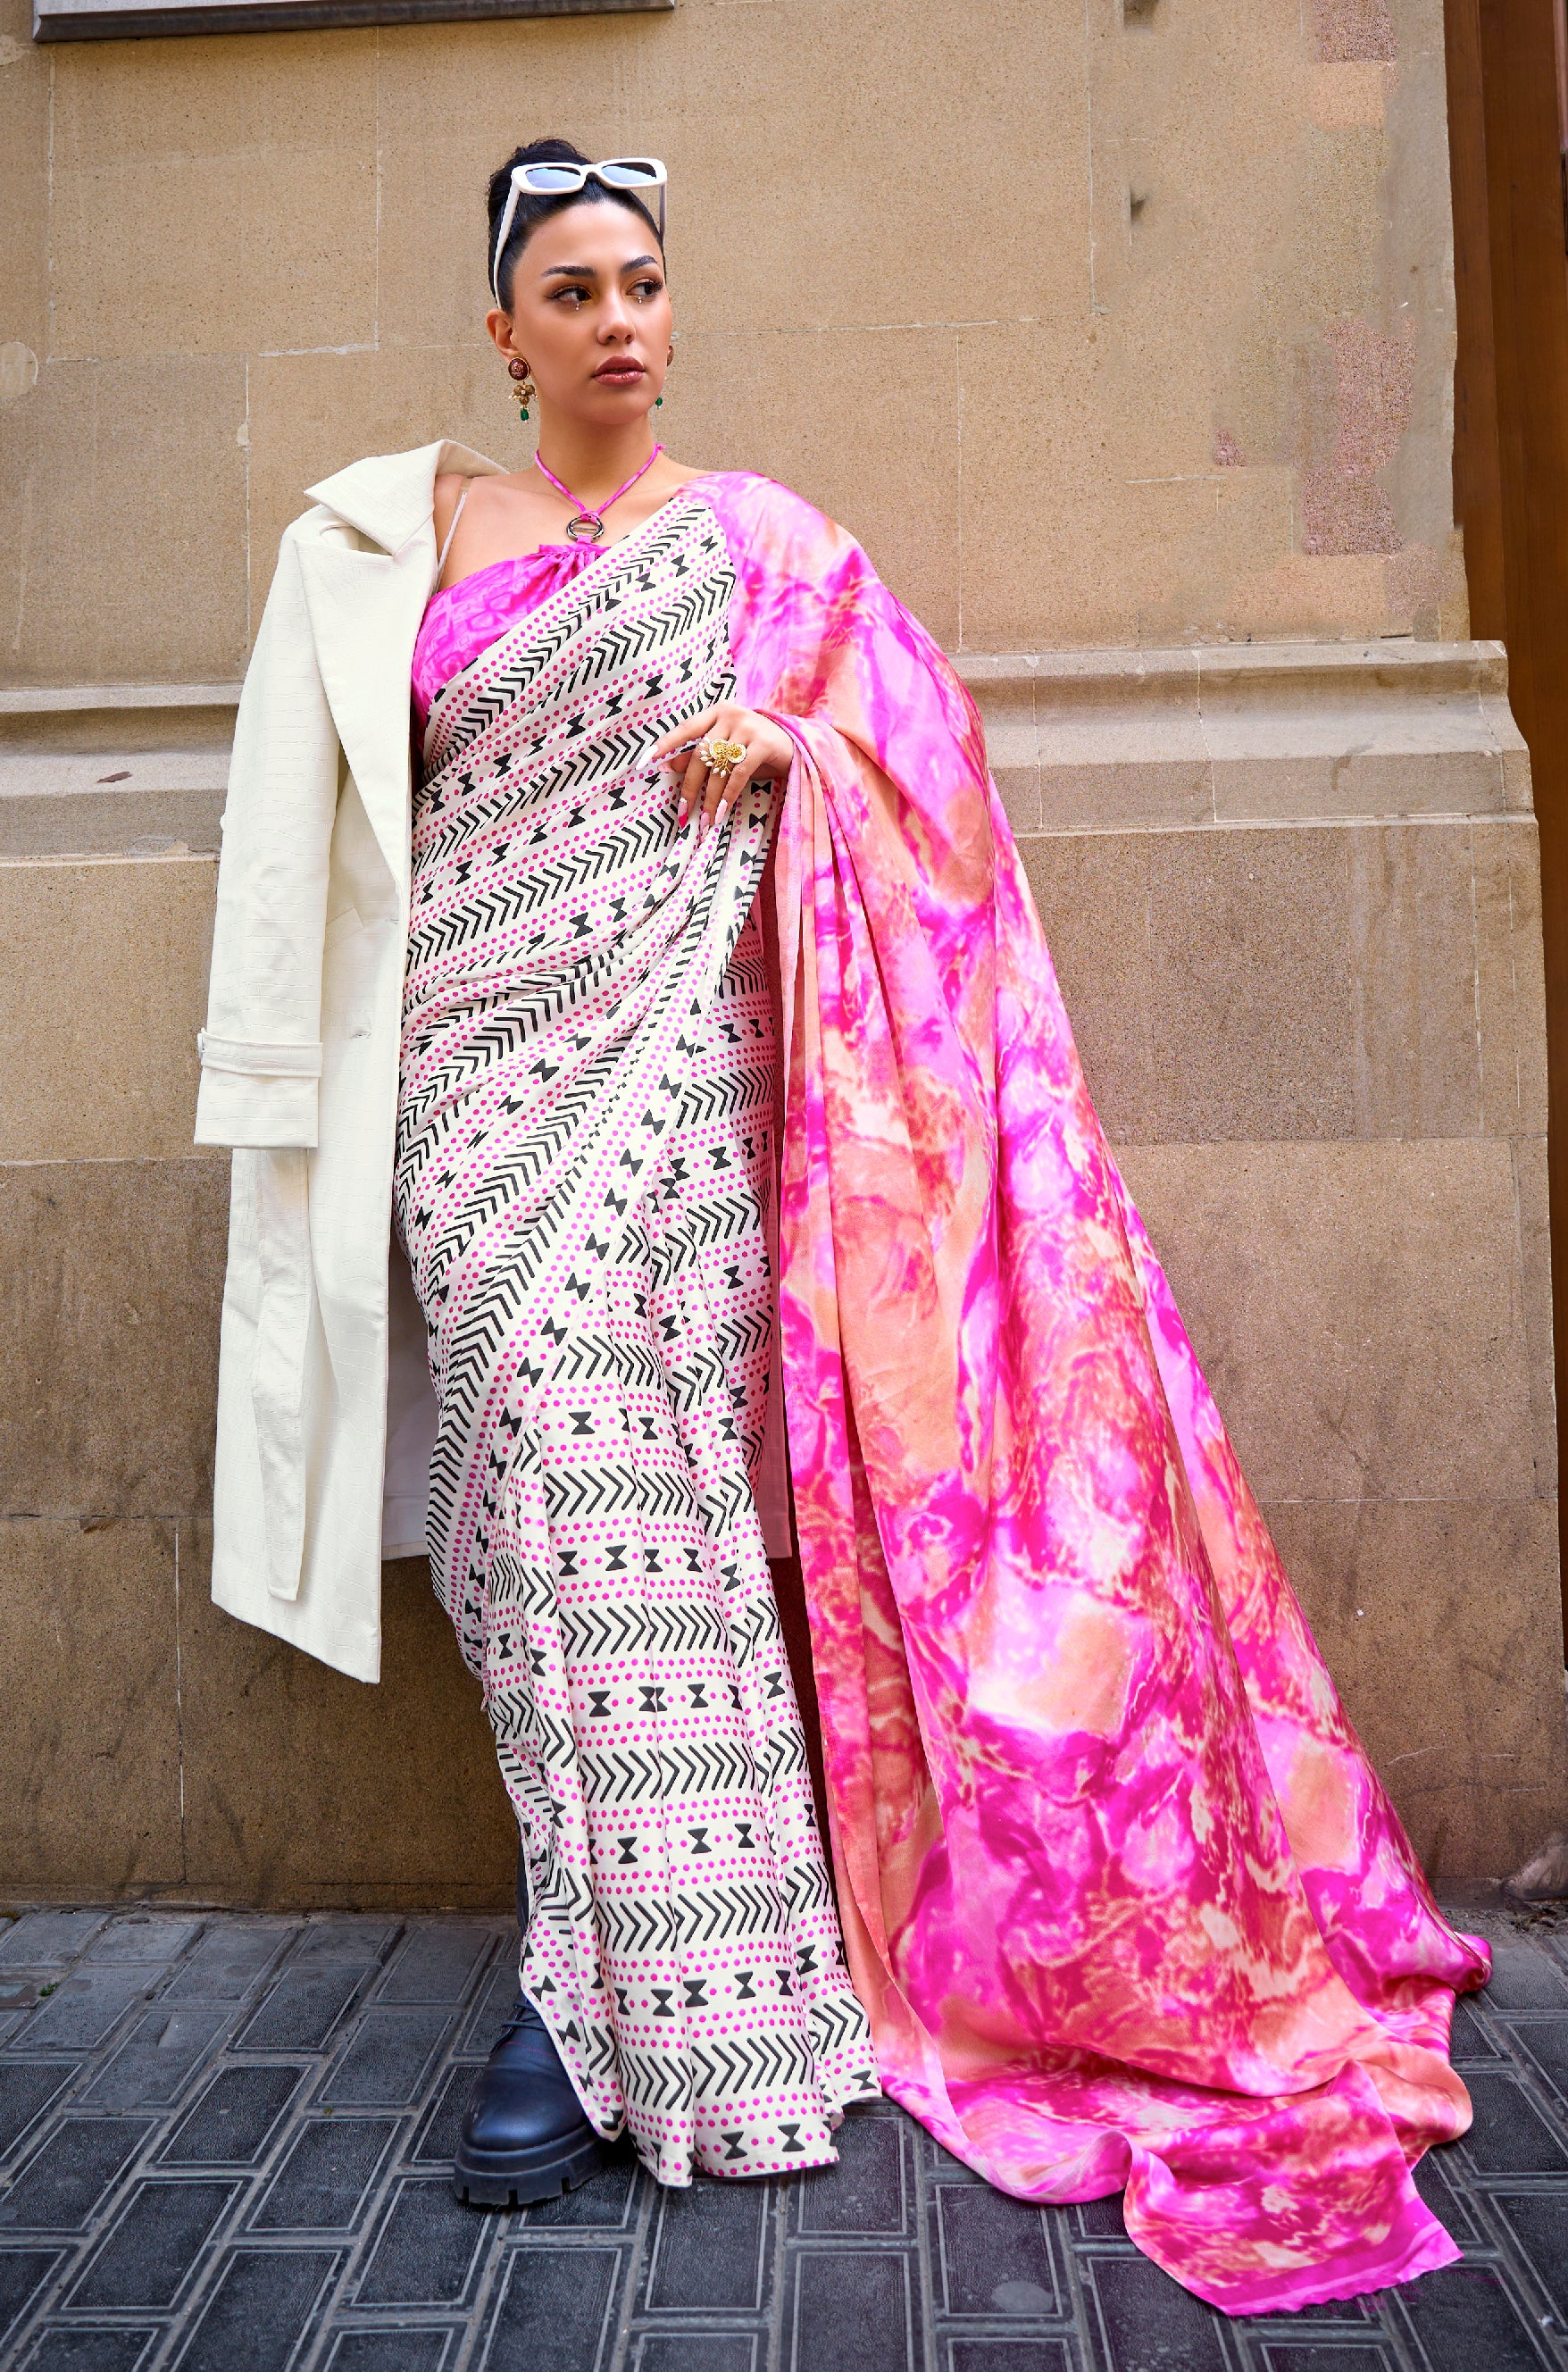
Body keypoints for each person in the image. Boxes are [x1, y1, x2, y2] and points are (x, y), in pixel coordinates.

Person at [195, 138, 1489, 2314]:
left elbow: (931, 779)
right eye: (571, 288)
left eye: (644, 281)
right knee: (523, 1514)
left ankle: (610, 2010)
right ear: (497, 331)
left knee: (644, 1499)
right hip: (466, 1083)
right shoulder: (386, 538)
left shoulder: (768, 545)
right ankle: (606, 1974)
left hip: (675, 1096)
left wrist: (794, 744)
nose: (618, 317)